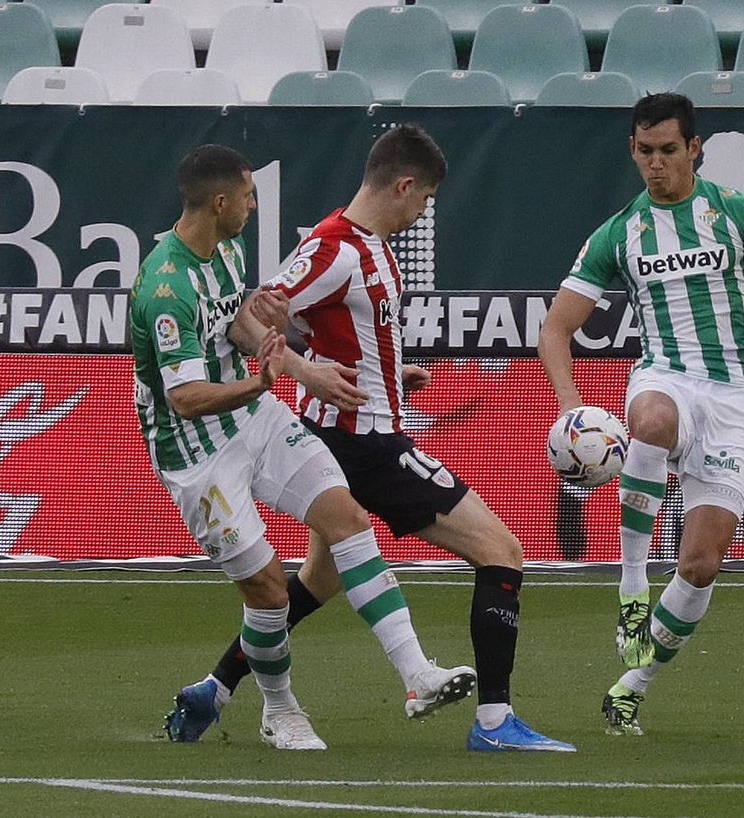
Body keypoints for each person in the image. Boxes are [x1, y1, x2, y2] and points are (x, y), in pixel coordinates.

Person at [169, 125, 575, 752]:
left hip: (353, 428)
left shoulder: (367, 243)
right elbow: (255, 315)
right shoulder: (335, 247)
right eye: (425, 198)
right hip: (361, 442)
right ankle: (494, 721)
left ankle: (215, 688)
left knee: (319, 580)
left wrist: (388, 376)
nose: (423, 211)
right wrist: (307, 373)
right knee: (502, 550)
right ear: (405, 185)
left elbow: (326, 329)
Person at [133, 144, 473, 752]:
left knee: (346, 517)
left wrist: (301, 372)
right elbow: (184, 398)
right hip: (197, 456)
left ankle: (417, 675)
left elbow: (239, 322)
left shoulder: (226, 251)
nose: (254, 205)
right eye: (248, 196)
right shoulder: (165, 286)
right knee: (266, 587)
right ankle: (279, 709)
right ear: (220, 202)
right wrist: (265, 380)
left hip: (256, 418)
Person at [538, 93, 744, 736]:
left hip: (735, 395)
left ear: (694, 148)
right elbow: (555, 330)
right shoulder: (618, 233)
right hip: (665, 376)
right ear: (632, 150)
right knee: (648, 421)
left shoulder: (737, 211)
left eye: (669, 151)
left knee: (701, 563)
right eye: (645, 152)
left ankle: (631, 685)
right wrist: (572, 410)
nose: (657, 165)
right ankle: (628, 591)